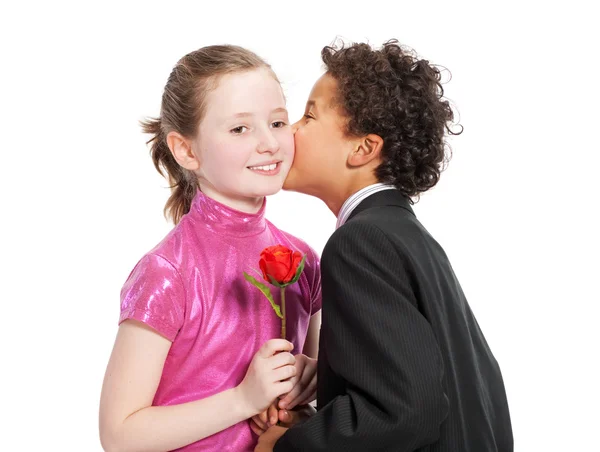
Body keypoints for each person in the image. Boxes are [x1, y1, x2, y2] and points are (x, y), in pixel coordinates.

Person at [256, 39, 513, 451]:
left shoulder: (359, 243)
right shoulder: (406, 235)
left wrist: (286, 446)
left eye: (308, 115)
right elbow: (439, 383)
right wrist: (327, 374)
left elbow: (407, 412)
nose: (291, 130)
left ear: (363, 149)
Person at [99, 44, 322, 452]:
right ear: (186, 150)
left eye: (277, 122)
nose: (270, 143)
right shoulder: (167, 271)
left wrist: (308, 382)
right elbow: (120, 435)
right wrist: (243, 399)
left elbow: (319, 401)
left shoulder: (304, 260)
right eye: (240, 128)